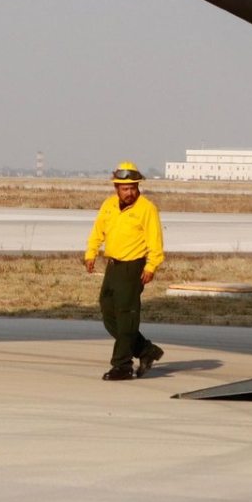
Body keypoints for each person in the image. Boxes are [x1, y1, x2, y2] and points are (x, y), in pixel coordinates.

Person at [83, 162, 166, 380]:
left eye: (133, 188)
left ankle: (122, 365)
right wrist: (91, 253)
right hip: (113, 266)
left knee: (126, 316)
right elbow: (97, 231)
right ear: (116, 188)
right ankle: (146, 350)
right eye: (125, 188)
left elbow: (155, 242)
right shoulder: (109, 205)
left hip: (133, 267)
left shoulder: (146, 208)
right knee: (108, 312)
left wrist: (151, 266)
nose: (130, 192)